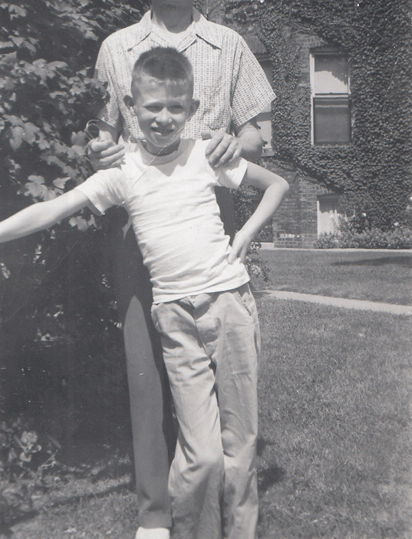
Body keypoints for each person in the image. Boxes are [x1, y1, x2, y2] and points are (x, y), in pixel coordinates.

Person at [0, 47, 289, 539]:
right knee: (201, 454)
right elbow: (55, 208)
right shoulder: (122, 173)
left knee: (240, 447)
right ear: (131, 108)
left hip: (230, 305)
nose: (164, 118)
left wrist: (245, 236)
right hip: (175, 318)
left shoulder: (205, 154)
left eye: (176, 108)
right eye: (152, 107)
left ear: (193, 109)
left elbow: (277, 185)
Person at [87, 0, 276, 538]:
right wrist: (99, 149)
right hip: (138, 226)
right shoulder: (116, 47)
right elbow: (103, 131)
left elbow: (258, 130)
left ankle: (228, 515)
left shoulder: (228, 45)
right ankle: (155, 517)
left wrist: (232, 140)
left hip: (206, 222)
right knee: (147, 372)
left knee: (223, 380)